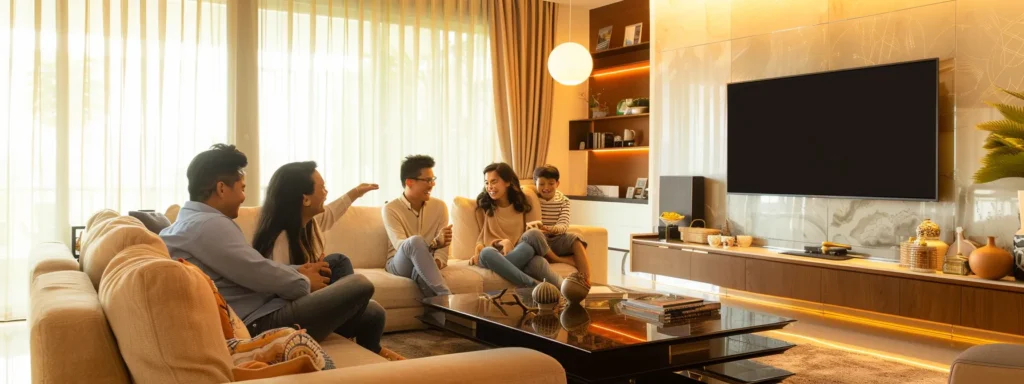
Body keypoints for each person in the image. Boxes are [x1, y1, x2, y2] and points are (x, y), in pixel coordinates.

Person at [159, 145, 402, 360]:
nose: (244, 197)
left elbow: (251, 267)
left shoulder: (191, 223)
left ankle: (359, 337)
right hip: (257, 323)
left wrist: (299, 271)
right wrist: (304, 280)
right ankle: (344, 326)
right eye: (242, 188)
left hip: (262, 308)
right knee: (359, 284)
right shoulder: (208, 225)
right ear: (222, 188)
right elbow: (258, 271)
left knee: (372, 310)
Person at [251, 161, 376, 283]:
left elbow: (332, 212)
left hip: (304, 285)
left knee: (339, 261)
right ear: (306, 200)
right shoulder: (281, 240)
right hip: (295, 297)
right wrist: (312, 282)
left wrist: (356, 192)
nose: (326, 193)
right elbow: (281, 287)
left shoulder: (308, 222)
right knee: (358, 284)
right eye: (322, 188)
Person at [470, 162, 562, 288]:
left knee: (535, 251)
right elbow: (481, 241)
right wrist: (502, 242)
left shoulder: (524, 202)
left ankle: (567, 291)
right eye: (487, 183)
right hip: (493, 256)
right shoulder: (485, 206)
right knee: (486, 253)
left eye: (494, 181)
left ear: (508, 182)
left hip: (520, 252)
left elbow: (531, 236)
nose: (490, 186)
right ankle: (535, 286)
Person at [382, 155, 453, 297]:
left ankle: (440, 317)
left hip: (428, 261)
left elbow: (442, 251)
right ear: (409, 182)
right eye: (427, 180)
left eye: (433, 180)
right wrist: (433, 244)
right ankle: (447, 296)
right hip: (399, 263)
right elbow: (401, 245)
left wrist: (431, 265)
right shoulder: (390, 208)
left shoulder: (440, 207)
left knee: (421, 274)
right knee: (414, 241)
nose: (432, 184)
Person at [533, 165, 591, 284]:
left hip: (557, 238)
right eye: (542, 184)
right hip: (539, 239)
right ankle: (558, 259)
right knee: (536, 239)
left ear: (557, 184)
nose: (546, 188)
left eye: (551, 183)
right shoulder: (532, 199)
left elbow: (563, 225)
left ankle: (585, 281)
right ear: (535, 184)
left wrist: (548, 229)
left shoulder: (564, 201)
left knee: (576, 239)